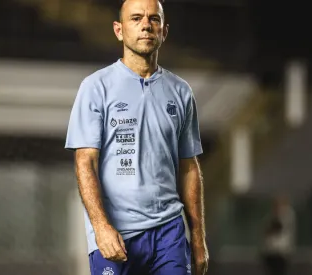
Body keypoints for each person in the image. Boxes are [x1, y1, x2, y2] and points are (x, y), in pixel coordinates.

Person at [64, 0, 208, 274]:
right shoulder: (96, 87)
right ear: (119, 30)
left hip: (169, 233)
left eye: (154, 19)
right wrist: (101, 227)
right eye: (136, 18)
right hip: (116, 234)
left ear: (164, 31)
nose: (146, 25)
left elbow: (189, 167)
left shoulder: (181, 92)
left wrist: (198, 239)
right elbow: (85, 164)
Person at [260, 196, 296, 275]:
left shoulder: (288, 217)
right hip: (270, 253)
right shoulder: (269, 218)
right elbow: (266, 233)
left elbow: (280, 228)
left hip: (281, 254)